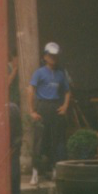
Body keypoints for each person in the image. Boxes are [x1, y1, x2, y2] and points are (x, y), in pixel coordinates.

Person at [29, 42, 71, 185]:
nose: (53, 58)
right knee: (39, 140)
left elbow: (67, 91)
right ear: (45, 56)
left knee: (55, 140)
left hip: (55, 107)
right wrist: (32, 110)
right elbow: (31, 90)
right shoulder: (39, 72)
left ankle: (54, 170)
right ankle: (35, 172)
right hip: (42, 107)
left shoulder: (60, 74)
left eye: (55, 56)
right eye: (50, 55)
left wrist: (65, 106)